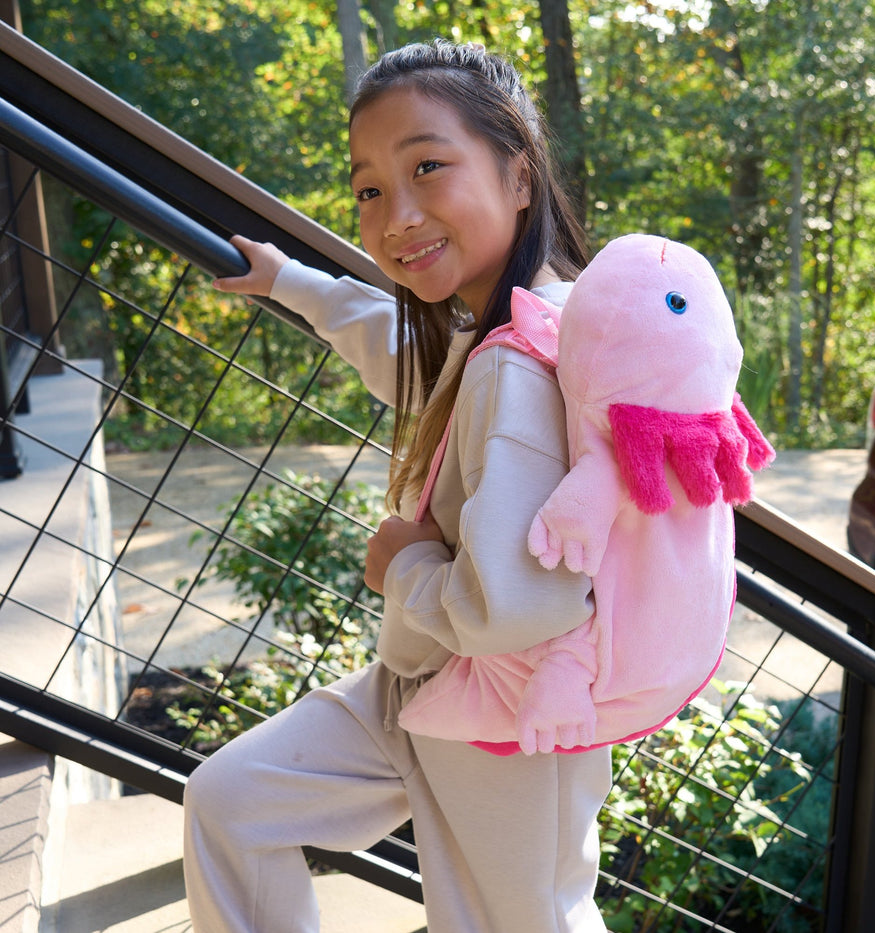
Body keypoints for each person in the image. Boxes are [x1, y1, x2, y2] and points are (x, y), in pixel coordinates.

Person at [183, 39, 612, 933]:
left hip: (504, 722)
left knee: (530, 923)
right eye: (370, 189)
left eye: (428, 167)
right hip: (415, 691)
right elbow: (406, 356)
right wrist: (290, 282)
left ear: (519, 176)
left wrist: (406, 566)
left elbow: (519, 605)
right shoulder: (496, 327)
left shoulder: (521, 360)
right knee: (229, 801)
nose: (395, 214)